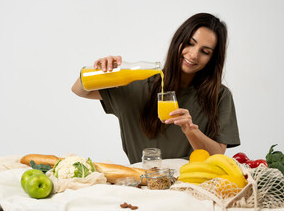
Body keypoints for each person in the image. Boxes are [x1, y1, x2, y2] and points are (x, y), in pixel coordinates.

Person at [72, 13, 240, 164]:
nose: (194, 55)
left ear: (212, 59)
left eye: (205, 51)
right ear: (178, 41)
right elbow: (79, 90)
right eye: (190, 43)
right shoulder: (136, 83)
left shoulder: (219, 95)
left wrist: (190, 130)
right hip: (142, 185)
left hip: (191, 185)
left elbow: (217, 155)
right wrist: (99, 70)